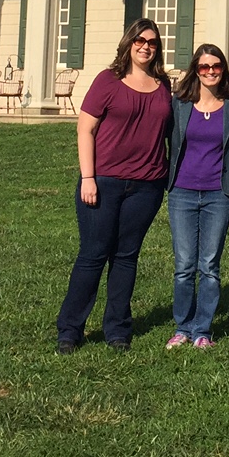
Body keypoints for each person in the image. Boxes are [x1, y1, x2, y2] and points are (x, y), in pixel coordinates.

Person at [55, 19, 173, 353]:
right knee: (92, 255)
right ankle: (70, 329)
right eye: (140, 40)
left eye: (152, 42)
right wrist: (88, 177)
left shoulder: (163, 85)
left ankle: (117, 329)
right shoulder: (108, 80)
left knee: (126, 258)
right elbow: (85, 130)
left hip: (147, 185)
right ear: (128, 43)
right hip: (103, 181)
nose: (146, 46)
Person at [165, 43, 229, 350]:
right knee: (184, 265)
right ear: (195, 71)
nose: (210, 72)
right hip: (182, 192)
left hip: (218, 194)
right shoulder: (180, 104)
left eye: (216, 67)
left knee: (209, 266)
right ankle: (183, 328)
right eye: (204, 67)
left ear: (223, 70)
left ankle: (203, 331)